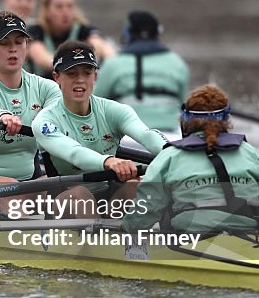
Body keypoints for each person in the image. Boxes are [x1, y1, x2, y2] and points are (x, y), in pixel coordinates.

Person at [122, 85, 259, 235]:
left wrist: (125, 229)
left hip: (190, 239)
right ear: (226, 118)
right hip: (248, 239)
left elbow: (146, 212)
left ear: (185, 119)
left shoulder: (169, 156)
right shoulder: (251, 153)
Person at [33, 40, 166, 217]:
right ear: (57, 77)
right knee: (81, 195)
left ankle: (141, 240)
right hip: (65, 200)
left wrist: (173, 152)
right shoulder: (44, 121)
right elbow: (75, 153)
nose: (80, 80)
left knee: (137, 185)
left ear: (95, 76)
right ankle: (101, 242)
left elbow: (147, 135)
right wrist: (109, 161)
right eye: (71, 73)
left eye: (87, 73)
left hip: (109, 200)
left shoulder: (114, 110)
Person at [0, 12, 62, 203]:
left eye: (18, 42)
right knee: (8, 190)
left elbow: (62, 118)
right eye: (4, 43)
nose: (12, 49)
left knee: (75, 193)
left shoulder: (47, 88)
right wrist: (1, 116)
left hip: (31, 185)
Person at [94, 11, 189, 134]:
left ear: (127, 33)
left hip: (128, 135)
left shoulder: (112, 64)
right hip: (171, 134)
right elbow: (184, 105)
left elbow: (96, 104)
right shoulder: (178, 63)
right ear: (158, 32)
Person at [28, 0, 115, 75]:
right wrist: (74, 62)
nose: (65, 12)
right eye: (59, 7)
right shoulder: (35, 31)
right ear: (47, 10)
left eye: (69, 6)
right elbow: (42, 59)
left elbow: (101, 47)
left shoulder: (83, 29)